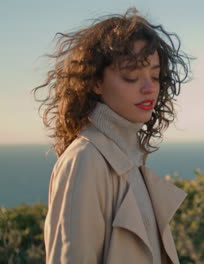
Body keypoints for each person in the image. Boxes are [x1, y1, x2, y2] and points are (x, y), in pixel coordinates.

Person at [33, 8, 192, 264]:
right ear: (95, 82)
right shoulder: (84, 161)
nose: (149, 88)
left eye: (154, 75)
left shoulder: (129, 158)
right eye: (131, 76)